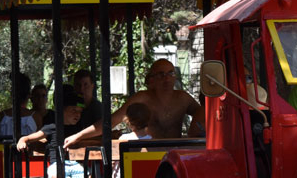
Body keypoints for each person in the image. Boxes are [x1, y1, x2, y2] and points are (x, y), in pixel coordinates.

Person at [63, 59, 203, 148]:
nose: (166, 78)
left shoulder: (183, 98)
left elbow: (203, 113)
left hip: (174, 157)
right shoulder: (142, 98)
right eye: (161, 74)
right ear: (151, 79)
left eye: (171, 73)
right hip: (147, 156)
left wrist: (195, 135)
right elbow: (111, 121)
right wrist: (78, 136)